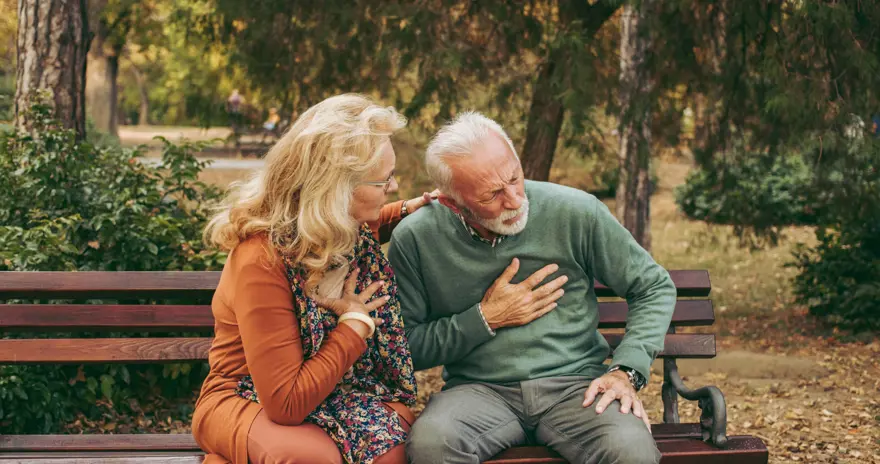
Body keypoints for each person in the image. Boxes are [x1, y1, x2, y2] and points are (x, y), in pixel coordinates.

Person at [388, 112, 678, 464]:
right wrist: (484, 319)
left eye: (515, 178)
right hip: (477, 392)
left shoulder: (575, 211)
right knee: (432, 445)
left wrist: (626, 371)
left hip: (577, 387)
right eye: (492, 195)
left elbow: (653, 287)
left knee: (631, 449)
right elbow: (405, 348)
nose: (513, 200)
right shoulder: (416, 238)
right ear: (452, 202)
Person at [194, 94, 434, 464]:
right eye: (383, 180)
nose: (392, 186)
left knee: (393, 445)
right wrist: (353, 325)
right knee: (310, 458)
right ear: (336, 189)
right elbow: (286, 402)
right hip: (243, 395)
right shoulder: (261, 258)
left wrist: (407, 211)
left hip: (332, 390)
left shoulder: (341, 228)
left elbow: (373, 222)